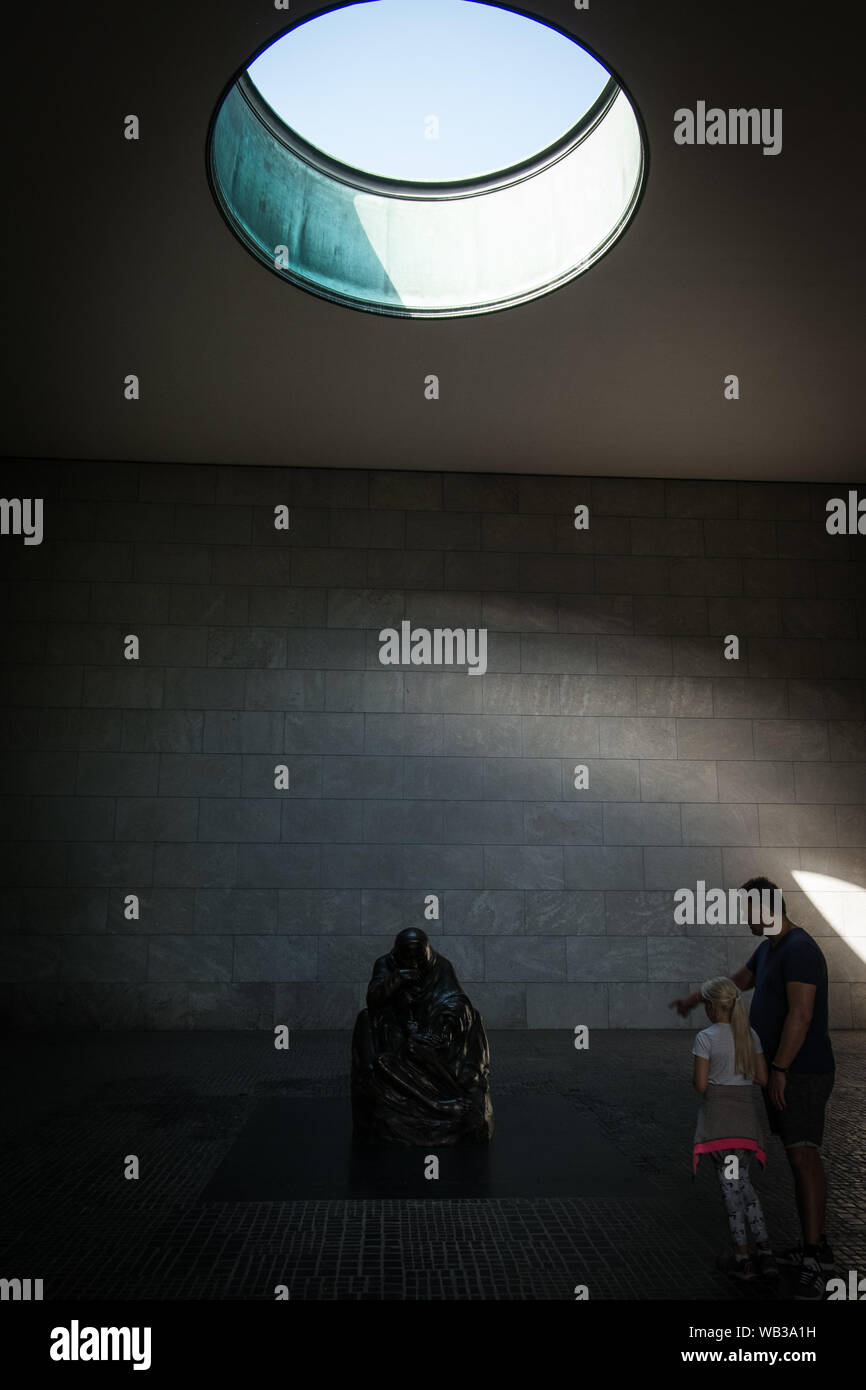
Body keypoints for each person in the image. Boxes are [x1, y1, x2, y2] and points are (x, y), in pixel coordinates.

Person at [671, 877, 835, 1300]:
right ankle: (811, 1245)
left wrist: (779, 1067)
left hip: (802, 1071)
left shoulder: (800, 950)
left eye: (746, 909)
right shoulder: (769, 949)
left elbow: (801, 1014)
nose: (743, 917)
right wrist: (695, 999)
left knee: (804, 1156)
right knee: (798, 1154)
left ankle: (816, 1258)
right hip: (784, 1070)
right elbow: (736, 983)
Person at [351, 927, 493, 1146]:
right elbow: (374, 999)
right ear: (397, 953)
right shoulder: (385, 964)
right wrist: (398, 979)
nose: (414, 961)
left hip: (432, 1030)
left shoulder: (440, 966)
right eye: (407, 956)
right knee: (376, 1042)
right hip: (396, 1030)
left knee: (472, 1016)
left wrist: (443, 1028)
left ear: (427, 951)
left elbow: (455, 999)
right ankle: (441, 1103)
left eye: (418, 955)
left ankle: (463, 1081)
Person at [691, 976, 775, 1282]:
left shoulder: (705, 1037)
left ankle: (743, 1257)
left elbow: (701, 1084)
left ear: (713, 1007)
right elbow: (763, 1079)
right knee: (745, 1186)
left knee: (730, 1192)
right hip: (747, 1126)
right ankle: (765, 1253)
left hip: (720, 1126)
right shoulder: (749, 1035)